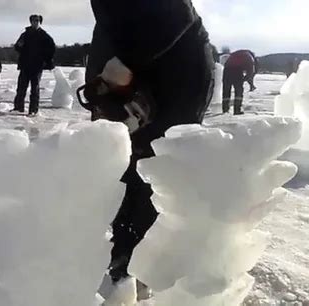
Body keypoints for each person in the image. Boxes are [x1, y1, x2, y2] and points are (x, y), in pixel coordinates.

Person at [81, 0, 215, 284]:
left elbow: (175, 17)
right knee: (123, 161)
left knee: (157, 163)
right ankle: (123, 247)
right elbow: (110, 28)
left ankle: (143, 260)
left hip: (176, 79)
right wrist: (101, 83)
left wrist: (124, 63)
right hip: (129, 78)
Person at [13, 14, 55, 115]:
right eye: (33, 20)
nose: (35, 22)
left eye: (37, 20)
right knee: (21, 88)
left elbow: (52, 49)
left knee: (34, 89)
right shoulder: (25, 34)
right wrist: (19, 46)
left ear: (40, 22)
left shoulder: (44, 36)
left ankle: (33, 110)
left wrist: (47, 61)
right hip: (25, 65)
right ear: (30, 22)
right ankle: (18, 108)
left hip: (37, 66)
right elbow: (17, 46)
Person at [222, 49, 258, 115]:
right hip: (237, 70)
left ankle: (225, 109)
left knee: (226, 90)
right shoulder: (250, 58)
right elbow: (250, 73)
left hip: (226, 69)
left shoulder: (238, 53)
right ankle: (237, 110)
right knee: (239, 91)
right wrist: (245, 80)